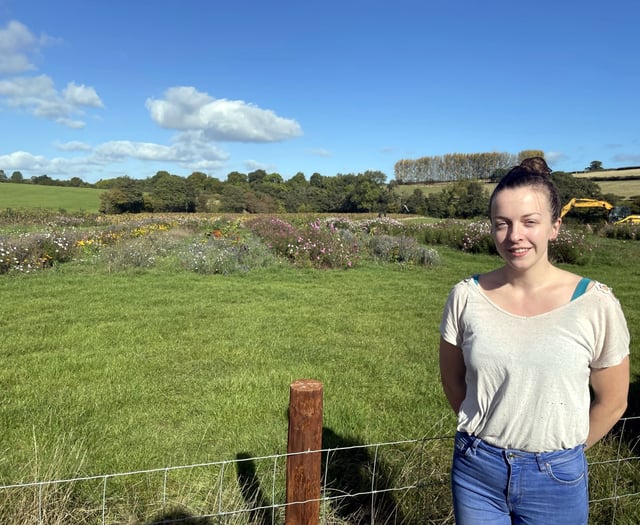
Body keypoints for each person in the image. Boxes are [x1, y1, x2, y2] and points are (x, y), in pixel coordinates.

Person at [438, 157, 630, 524]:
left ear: (555, 226)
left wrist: (559, 454)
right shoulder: (465, 297)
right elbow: (452, 380)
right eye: (502, 224)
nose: (514, 236)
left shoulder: (595, 304)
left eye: (529, 222)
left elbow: (613, 401)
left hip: (556, 479)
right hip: (476, 473)